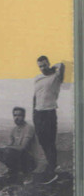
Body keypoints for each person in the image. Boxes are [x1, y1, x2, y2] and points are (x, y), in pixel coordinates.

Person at [33, 56, 64, 184]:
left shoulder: (56, 77)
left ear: (49, 64)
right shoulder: (37, 78)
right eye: (40, 66)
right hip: (38, 113)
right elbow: (35, 96)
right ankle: (52, 165)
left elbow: (61, 65)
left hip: (49, 112)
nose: (42, 68)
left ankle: (52, 170)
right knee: (42, 141)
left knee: (50, 141)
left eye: (45, 65)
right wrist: (34, 114)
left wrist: (53, 67)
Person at [0, 107, 37, 183]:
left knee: (9, 151)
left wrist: (7, 147)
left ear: (24, 116)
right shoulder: (14, 130)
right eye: (15, 115)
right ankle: (13, 171)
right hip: (19, 156)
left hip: (30, 159)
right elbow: (10, 144)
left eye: (19, 115)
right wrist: (4, 148)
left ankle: (28, 174)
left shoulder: (29, 128)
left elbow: (23, 147)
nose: (16, 118)